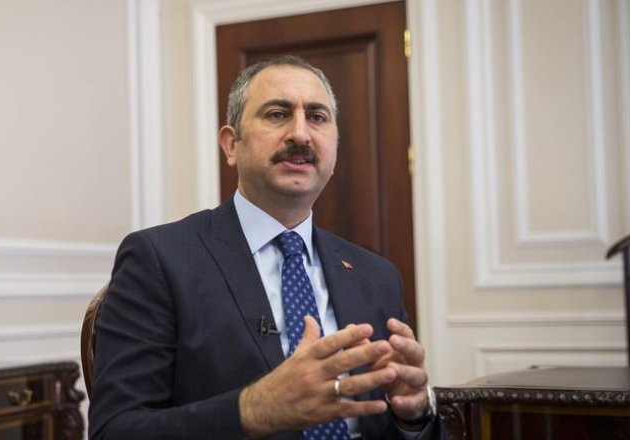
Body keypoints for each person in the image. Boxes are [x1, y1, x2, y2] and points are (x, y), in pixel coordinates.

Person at [89, 55, 439, 439]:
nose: (301, 135)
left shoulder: (378, 276)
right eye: (277, 114)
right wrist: (253, 409)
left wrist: (413, 416)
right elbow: (115, 430)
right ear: (231, 144)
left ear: (334, 148)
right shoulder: (160, 259)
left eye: (317, 117)